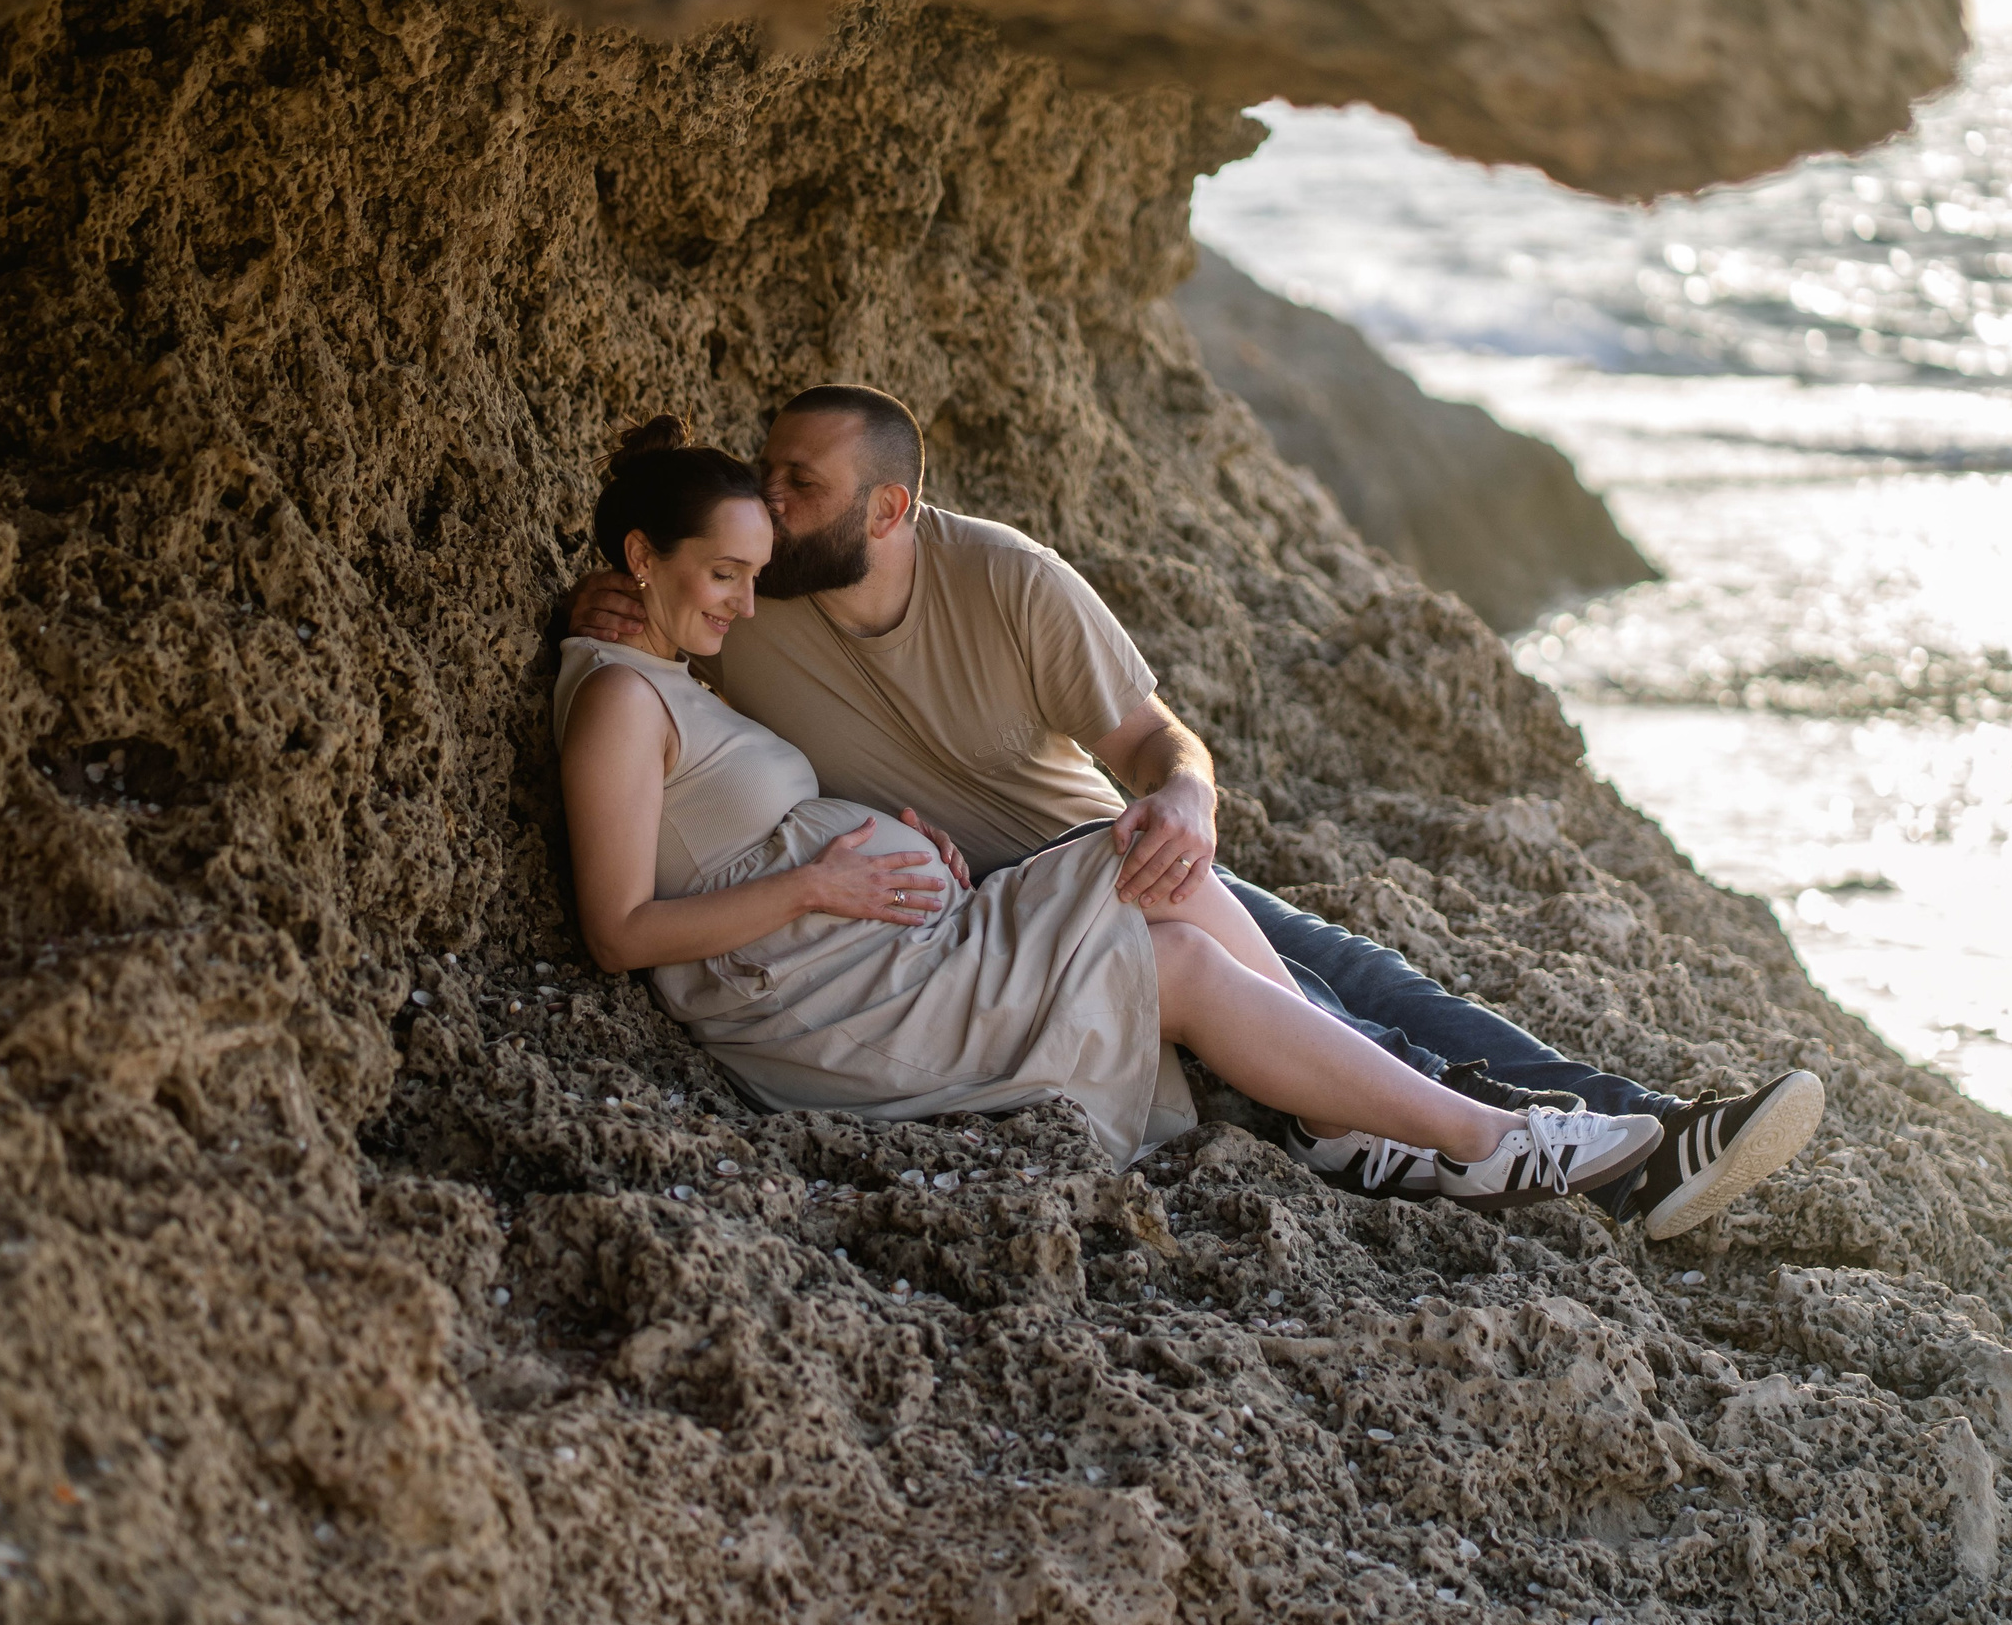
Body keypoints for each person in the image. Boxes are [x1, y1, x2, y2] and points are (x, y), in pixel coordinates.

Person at [567, 390, 1825, 1242]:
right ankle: (1557, 1150)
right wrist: (615, 601)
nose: (767, 512)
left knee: (1363, 973)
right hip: (971, 925)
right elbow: (672, 665)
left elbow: (1153, 744)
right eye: (762, 491)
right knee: (1319, 993)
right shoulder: (743, 603)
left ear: (887, 510)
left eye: (796, 487)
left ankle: (1630, 1126)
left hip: (1087, 859)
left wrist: (1184, 798)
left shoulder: (1003, 577)